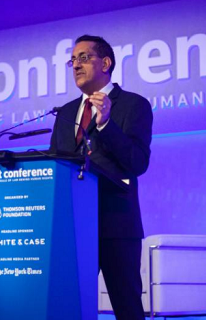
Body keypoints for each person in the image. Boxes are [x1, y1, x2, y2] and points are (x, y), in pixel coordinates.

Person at [49, 35, 153, 320]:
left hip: (116, 225)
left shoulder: (133, 105)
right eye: (72, 60)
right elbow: (55, 165)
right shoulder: (66, 112)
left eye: (84, 58)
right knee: (66, 305)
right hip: (73, 228)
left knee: (127, 308)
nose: (75, 65)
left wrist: (106, 123)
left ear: (105, 63)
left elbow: (137, 162)